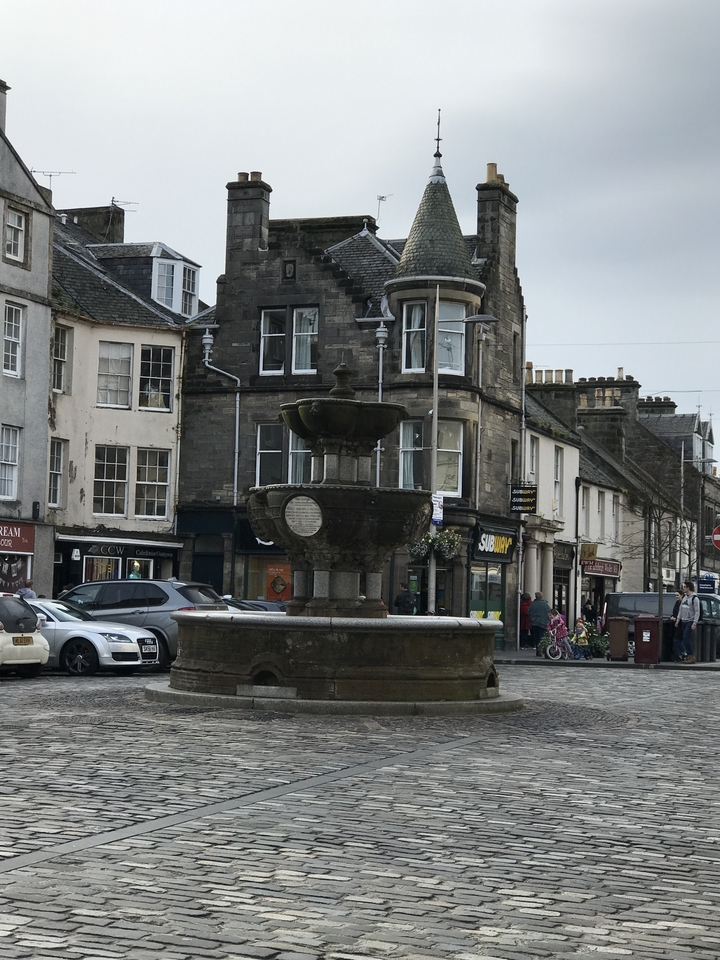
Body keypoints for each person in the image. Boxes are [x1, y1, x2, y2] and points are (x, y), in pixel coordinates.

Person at [675, 580, 700, 664]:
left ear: (688, 588)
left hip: (690, 620)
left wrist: (694, 623)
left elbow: (697, 611)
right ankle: (688, 656)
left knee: (686, 637)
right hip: (684, 620)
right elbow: (680, 610)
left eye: (685, 587)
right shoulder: (685, 597)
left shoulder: (694, 598)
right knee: (684, 638)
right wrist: (678, 620)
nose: (683, 588)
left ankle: (691, 655)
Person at [528, 591, 550, 656]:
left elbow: (528, 612)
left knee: (536, 637)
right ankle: (541, 650)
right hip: (543, 623)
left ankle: (538, 650)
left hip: (534, 622)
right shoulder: (545, 604)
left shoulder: (532, 604)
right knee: (541, 637)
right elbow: (549, 613)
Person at [670, 591, 683, 660]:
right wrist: (672, 616)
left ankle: (682, 653)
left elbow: (681, 613)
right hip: (676, 623)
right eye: (675, 595)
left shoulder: (682, 603)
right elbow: (674, 612)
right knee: (677, 639)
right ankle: (680, 654)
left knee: (677, 639)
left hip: (680, 623)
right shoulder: (677, 603)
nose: (676, 597)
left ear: (682, 595)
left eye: (677, 595)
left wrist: (676, 619)